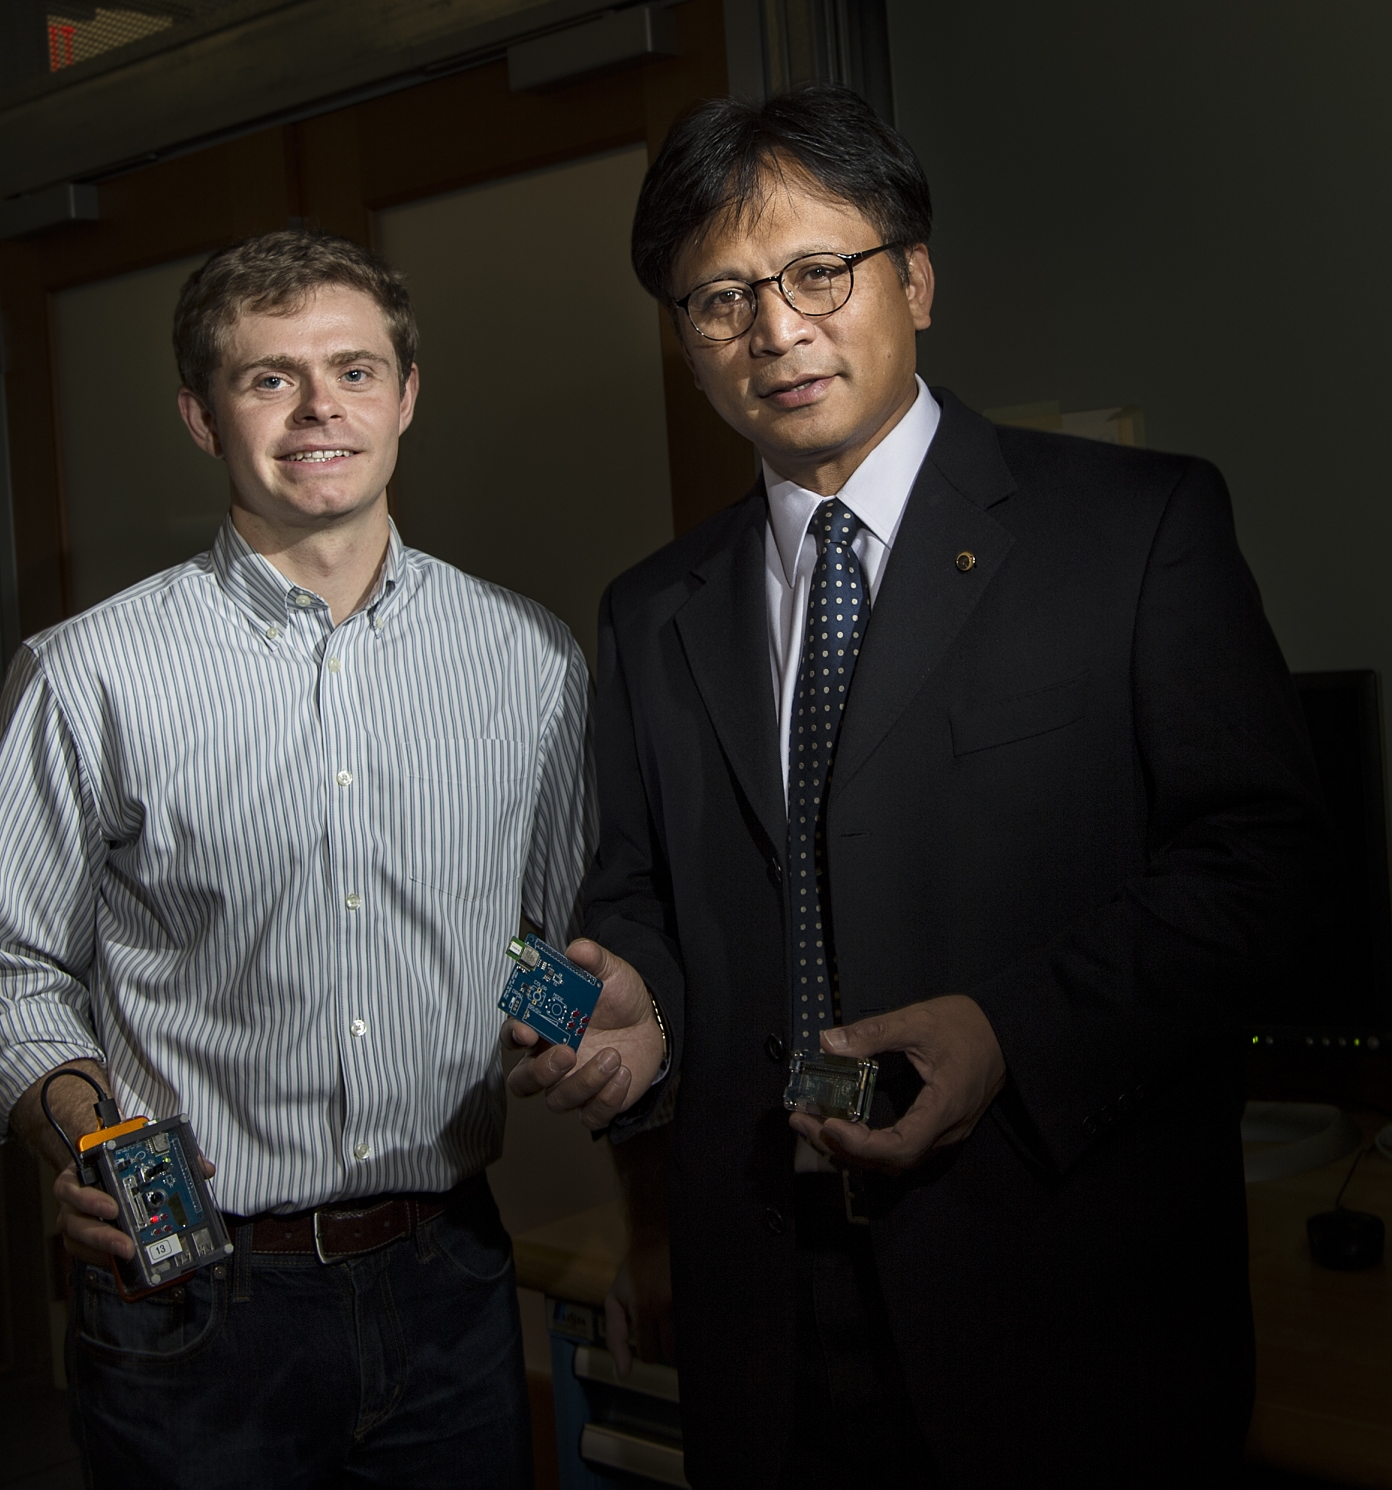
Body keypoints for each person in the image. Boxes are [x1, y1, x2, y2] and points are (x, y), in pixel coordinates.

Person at [508, 85, 1331, 1485]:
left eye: (819, 272)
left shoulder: (1132, 533)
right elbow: (642, 889)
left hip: (1058, 1280)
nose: (776, 330)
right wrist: (640, 1005)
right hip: (768, 1304)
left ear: (918, 279)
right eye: (719, 300)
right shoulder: (654, 610)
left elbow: (1264, 874)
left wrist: (1010, 1031)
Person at [0, 230, 592, 1487]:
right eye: (270, 376)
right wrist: (83, 1131)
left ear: (406, 395)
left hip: (450, 1270)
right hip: (192, 1292)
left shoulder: (529, 659)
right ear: (199, 412)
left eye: (354, 368)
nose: (320, 406)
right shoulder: (92, 673)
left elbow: (536, 940)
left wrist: (570, 1039)